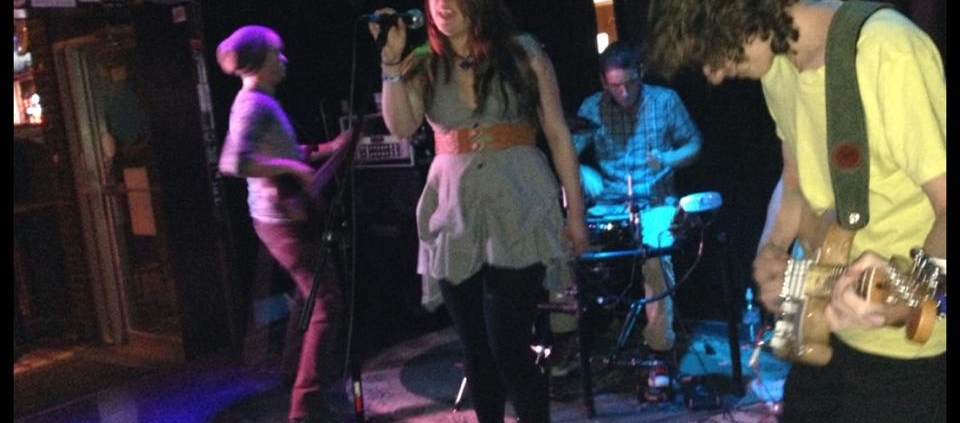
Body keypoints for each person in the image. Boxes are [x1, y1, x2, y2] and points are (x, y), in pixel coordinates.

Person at [645, 1, 946, 422]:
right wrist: (771, 247)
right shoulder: (780, 68)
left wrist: (909, 293)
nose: (714, 75)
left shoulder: (887, 50)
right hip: (825, 326)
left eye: (711, 51)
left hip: (904, 352)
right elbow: (795, 180)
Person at [368, 0, 590, 421]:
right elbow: (401, 126)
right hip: (455, 209)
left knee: (508, 346)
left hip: (519, 203)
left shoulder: (522, 51)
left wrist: (575, 215)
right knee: (476, 349)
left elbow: (557, 132)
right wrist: (390, 62)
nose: (443, 6)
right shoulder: (423, 62)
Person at [215, 25, 353, 423]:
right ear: (260, 61)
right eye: (277, 53)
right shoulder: (253, 104)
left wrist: (329, 148)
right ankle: (304, 406)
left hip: (278, 216)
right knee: (326, 302)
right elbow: (234, 162)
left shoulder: (258, 101)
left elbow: (280, 150)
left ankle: (295, 376)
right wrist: (291, 167)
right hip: (283, 221)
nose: (284, 59)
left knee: (310, 297)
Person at [571, 40, 702, 399]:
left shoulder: (665, 101)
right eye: (616, 85)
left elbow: (695, 143)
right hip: (610, 203)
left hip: (656, 201)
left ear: (640, 74)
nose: (625, 92)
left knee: (656, 254)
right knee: (564, 245)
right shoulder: (591, 107)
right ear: (603, 82)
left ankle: (660, 353)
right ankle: (567, 343)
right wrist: (580, 172)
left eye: (630, 83)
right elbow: (566, 150)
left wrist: (670, 159)